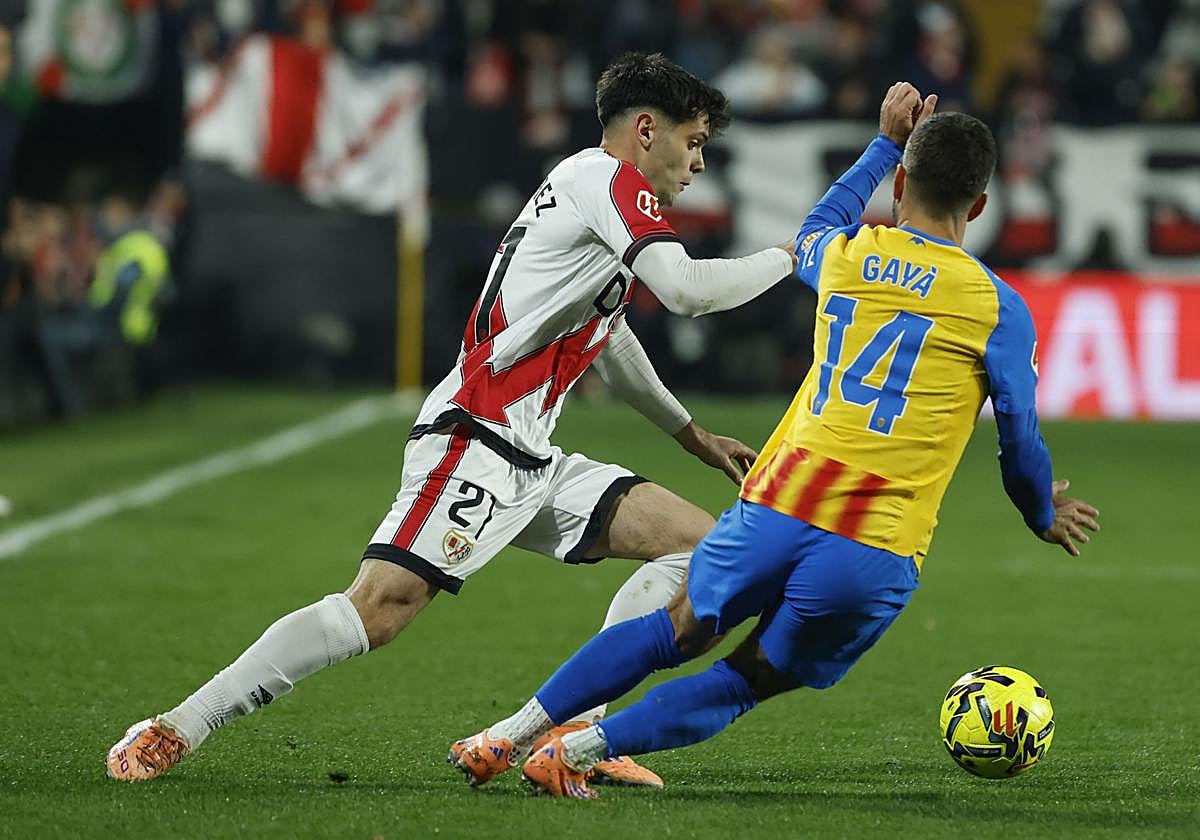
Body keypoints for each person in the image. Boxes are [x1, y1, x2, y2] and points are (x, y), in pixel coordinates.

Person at [105, 52, 798, 785]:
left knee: (706, 554)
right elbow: (687, 291)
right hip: (476, 439)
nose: (696, 165)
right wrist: (794, 254)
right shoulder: (606, 180)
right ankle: (178, 726)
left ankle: (572, 735)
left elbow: (610, 337)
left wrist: (689, 434)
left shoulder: (597, 196)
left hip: (532, 454)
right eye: (694, 143)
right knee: (378, 608)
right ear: (648, 130)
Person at [448, 83, 1101, 799]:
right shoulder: (999, 309)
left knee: (676, 628)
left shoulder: (849, 254)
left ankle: (503, 737)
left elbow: (818, 222)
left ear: (903, 182)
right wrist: (1042, 514)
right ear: (979, 206)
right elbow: (1021, 445)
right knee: (744, 679)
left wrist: (884, 142)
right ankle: (579, 749)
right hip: (872, 544)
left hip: (776, 504)